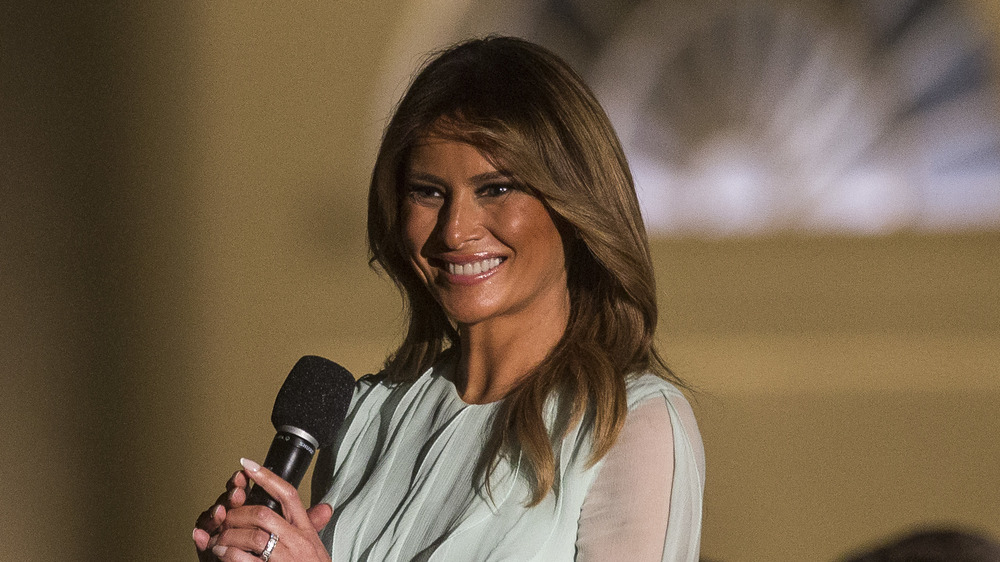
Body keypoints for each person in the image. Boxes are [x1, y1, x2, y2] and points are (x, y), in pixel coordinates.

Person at [193, 35, 705, 561]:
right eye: (429, 192)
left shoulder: (628, 426)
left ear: (575, 205)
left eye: (497, 188)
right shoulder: (364, 418)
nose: (455, 231)